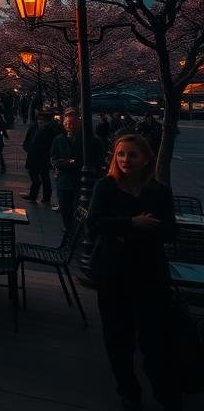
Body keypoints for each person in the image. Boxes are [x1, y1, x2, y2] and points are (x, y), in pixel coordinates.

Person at [88, 134, 181, 411]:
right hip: (113, 272)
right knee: (118, 335)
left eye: (132, 155)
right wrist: (133, 224)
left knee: (155, 336)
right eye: (121, 154)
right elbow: (94, 224)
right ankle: (128, 389)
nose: (125, 160)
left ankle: (164, 391)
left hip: (150, 272)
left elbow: (169, 231)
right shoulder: (105, 186)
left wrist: (125, 230)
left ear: (146, 159)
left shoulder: (159, 191)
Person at [24, 112, 57, 203]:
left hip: (43, 157)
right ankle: (33, 195)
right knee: (34, 175)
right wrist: (27, 147)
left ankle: (46, 197)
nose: (40, 122)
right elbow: (28, 139)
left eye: (43, 120)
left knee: (45, 177)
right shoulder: (34, 128)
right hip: (33, 155)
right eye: (39, 119)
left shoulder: (50, 131)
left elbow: (51, 144)